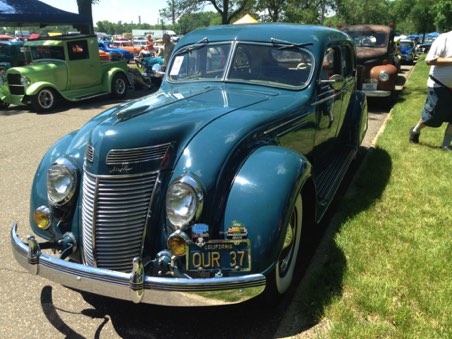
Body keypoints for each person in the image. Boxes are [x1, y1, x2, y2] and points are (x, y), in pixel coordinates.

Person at [409, 30, 452, 151]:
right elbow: (429, 60)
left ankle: (445, 145)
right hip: (439, 85)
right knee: (432, 116)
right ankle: (415, 131)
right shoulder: (445, 38)